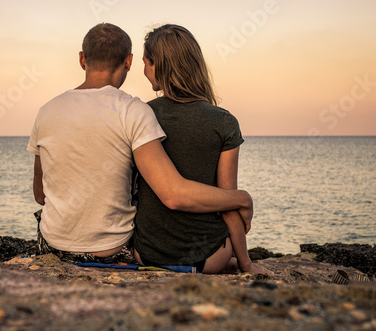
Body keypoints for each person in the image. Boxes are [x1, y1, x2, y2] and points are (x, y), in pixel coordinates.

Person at [27, 23, 253, 265]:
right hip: (112, 251)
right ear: (128, 62)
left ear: (82, 59)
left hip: (53, 247)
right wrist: (242, 200)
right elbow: (172, 194)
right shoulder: (134, 111)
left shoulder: (46, 111)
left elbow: (40, 195)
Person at [134, 24, 272, 274]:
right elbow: (228, 200)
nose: (143, 70)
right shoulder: (224, 121)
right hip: (207, 261)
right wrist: (246, 263)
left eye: (145, 62)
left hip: (146, 255)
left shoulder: (141, 115)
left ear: (157, 64)